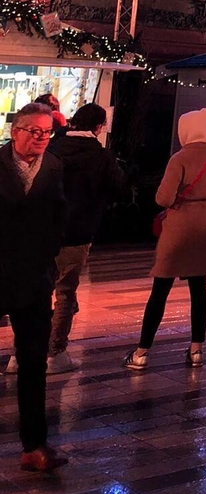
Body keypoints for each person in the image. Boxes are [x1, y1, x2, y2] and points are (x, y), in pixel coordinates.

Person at [124, 108, 206, 371]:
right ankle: (196, 351)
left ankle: (142, 352)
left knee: (160, 290)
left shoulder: (179, 158)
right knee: (199, 291)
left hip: (180, 227)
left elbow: (163, 198)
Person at [0, 102, 67, 471]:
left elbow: (59, 214)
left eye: (47, 132)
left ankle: (34, 445)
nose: (41, 138)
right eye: (34, 131)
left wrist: (49, 256)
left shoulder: (55, 166)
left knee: (33, 362)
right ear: (15, 131)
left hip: (35, 277)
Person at [46, 103, 126, 374]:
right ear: (98, 127)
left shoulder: (53, 148)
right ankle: (55, 353)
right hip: (78, 232)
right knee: (65, 293)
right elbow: (119, 188)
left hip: (43, 231)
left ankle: (22, 353)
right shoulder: (101, 156)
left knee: (38, 291)